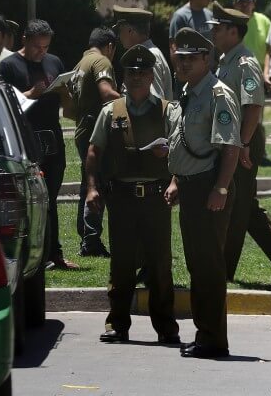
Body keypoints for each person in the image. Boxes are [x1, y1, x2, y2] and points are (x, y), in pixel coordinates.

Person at [85, 45, 180, 344]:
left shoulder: (167, 110)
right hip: (123, 198)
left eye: (142, 72)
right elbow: (94, 151)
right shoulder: (111, 111)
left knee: (160, 264)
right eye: (131, 72)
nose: (137, 77)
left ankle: (166, 327)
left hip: (156, 197)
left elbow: (181, 151)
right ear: (123, 77)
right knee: (121, 263)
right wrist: (92, 188)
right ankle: (117, 323)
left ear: (152, 76)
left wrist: (175, 181)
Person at [210, 2, 271, 286]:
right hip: (233, 140)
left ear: (233, 31)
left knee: (235, 207)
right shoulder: (226, 60)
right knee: (245, 206)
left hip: (243, 140)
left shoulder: (245, 63)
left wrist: (243, 143)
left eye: (218, 29)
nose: (213, 33)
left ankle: (223, 270)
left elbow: (254, 106)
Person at [166, 28, 241, 359]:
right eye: (180, 58)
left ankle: (213, 339)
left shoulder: (217, 94)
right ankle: (204, 334)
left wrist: (220, 187)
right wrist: (176, 180)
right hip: (191, 186)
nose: (183, 64)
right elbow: (185, 141)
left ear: (206, 59)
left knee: (208, 266)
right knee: (197, 264)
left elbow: (230, 147)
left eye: (191, 59)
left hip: (209, 186)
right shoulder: (188, 91)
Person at [0, 19, 78, 269]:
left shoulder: (54, 63)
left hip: (52, 140)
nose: (41, 52)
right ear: (25, 39)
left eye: (45, 47)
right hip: (25, 140)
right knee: (29, 202)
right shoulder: (10, 66)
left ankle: (54, 254)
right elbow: (5, 105)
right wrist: (31, 94)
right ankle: (32, 255)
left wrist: (65, 92)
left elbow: (68, 107)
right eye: (36, 47)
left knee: (51, 199)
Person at [69, 27, 121, 258]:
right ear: (110, 46)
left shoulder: (80, 64)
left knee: (88, 184)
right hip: (96, 131)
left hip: (83, 129)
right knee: (98, 184)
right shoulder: (101, 61)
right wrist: (133, 102)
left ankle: (86, 236)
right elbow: (107, 92)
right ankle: (91, 241)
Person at [113, 5, 173, 101]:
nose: (118, 36)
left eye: (119, 31)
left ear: (130, 31)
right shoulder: (147, 54)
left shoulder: (149, 56)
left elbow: (155, 102)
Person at [168, 0, 216, 92]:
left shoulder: (210, 15)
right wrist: (181, 74)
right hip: (189, 81)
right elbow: (174, 48)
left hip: (209, 78)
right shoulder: (180, 16)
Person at [234, 0, 270, 67]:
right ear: (235, 5)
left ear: (253, 4)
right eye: (241, 1)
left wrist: (266, 70)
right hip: (239, 69)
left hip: (262, 71)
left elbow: (269, 50)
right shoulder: (231, 23)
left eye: (247, 1)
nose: (244, 4)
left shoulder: (264, 21)